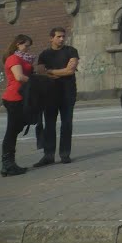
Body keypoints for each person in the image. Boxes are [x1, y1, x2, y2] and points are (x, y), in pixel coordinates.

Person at [34, 27, 79, 166]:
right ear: (51, 38)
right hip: (49, 94)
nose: (61, 39)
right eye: (58, 36)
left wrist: (51, 71)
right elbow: (41, 72)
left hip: (67, 93)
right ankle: (48, 155)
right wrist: (60, 71)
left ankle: (65, 154)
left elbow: (70, 71)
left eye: (63, 36)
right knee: (49, 125)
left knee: (66, 124)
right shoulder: (44, 54)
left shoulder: (71, 51)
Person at [1, 34, 34, 177]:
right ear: (18, 44)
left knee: (15, 129)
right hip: (13, 97)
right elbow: (19, 77)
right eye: (26, 45)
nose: (27, 49)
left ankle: (9, 164)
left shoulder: (22, 58)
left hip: (21, 98)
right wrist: (36, 82)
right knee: (11, 131)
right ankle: (7, 164)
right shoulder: (13, 58)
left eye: (28, 46)